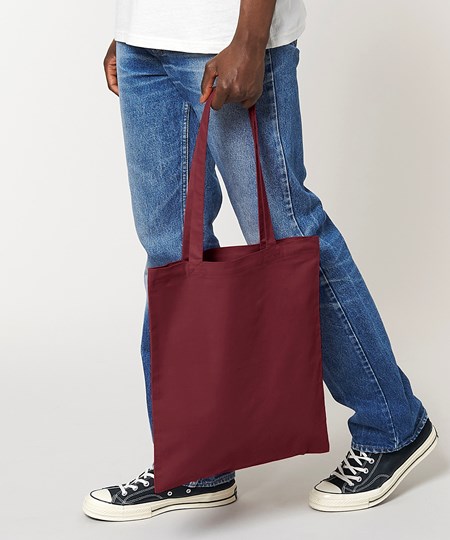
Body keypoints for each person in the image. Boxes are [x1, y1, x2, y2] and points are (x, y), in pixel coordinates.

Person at [82, 0, 438, 521]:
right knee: (170, 254)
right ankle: (194, 464)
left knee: (290, 233)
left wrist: (249, 39)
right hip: (147, 43)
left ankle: (393, 426)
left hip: (229, 40)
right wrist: (138, 25)